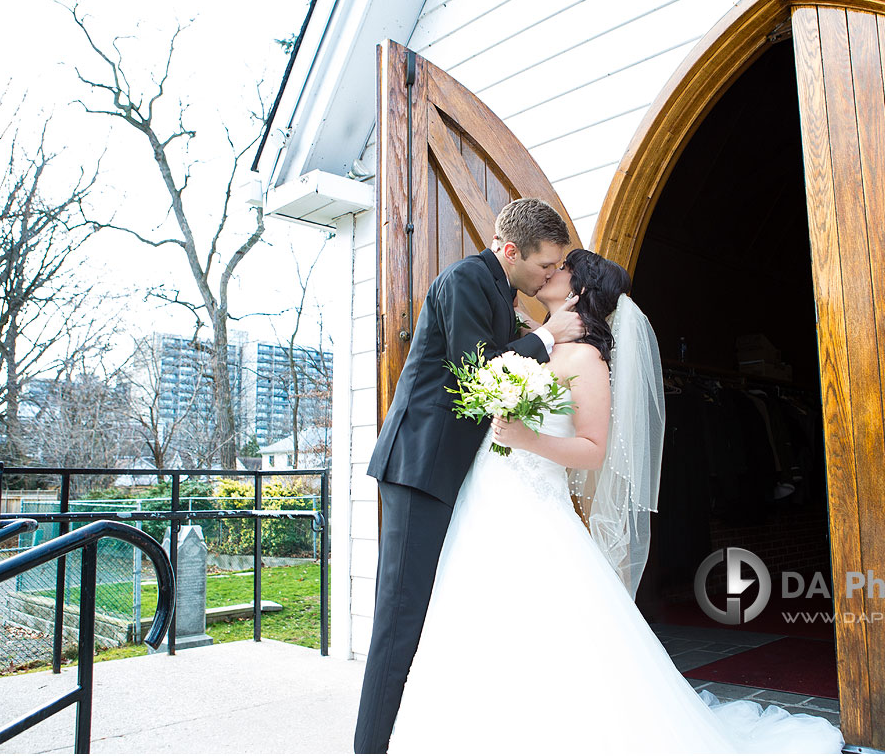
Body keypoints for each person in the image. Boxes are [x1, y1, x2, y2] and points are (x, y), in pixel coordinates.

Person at [384, 249, 846, 754]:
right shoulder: (533, 346)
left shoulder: (587, 360)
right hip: (488, 498)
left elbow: (592, 450)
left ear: (578, 289)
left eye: (559, 269)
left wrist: (526, 439)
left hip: (534, 504)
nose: (548, 272)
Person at [355, 198, 586, 755]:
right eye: (545, 266)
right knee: (401, 615)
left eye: (557, 269)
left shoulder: (502, 295)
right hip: (420, 468)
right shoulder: (463, 279)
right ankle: (368, 749)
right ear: (510, 251)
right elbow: (479, 372)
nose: (551, 276)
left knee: (429, 613)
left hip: (450, 474)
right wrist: (548, 335)